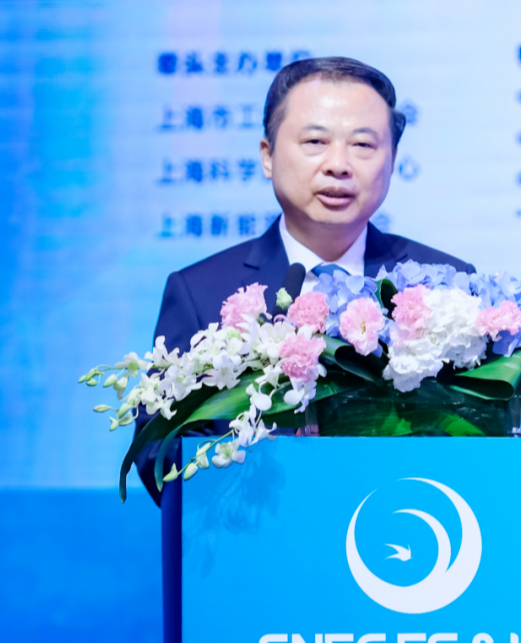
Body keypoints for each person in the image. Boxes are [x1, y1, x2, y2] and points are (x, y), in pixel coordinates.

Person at [135, 57, 474, 504]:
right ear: (268, 156)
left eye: (363, 145)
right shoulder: (201, 292)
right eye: (315, 141)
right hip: (259, 531)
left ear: (392, 161)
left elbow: (482, 445)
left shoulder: (447, 289)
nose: (339, 165)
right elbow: (160, 453)